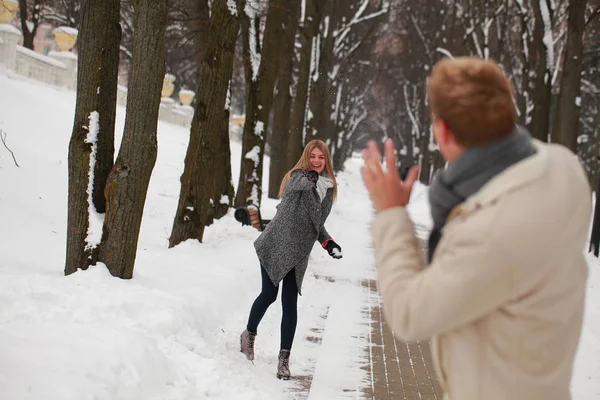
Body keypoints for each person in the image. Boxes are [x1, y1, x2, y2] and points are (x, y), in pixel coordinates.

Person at [361, 57, 592, 400]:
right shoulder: (564, 168)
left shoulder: (491, 233)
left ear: (443, 131)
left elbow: (410, 313)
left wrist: (392, 213)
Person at [240, 139, 343, 380]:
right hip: (276, 245)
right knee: (269, 294)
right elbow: (298, 184)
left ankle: (284, 360)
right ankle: (249, 335)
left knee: (289, 304)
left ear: (326, 160)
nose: (316, 161)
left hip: (298, 253)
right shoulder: (298, 178)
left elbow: (317, 225)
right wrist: (310, 178)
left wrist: (329, 244)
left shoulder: (328, 190)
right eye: (313, 156)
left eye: (321, 157)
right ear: (307, 158)